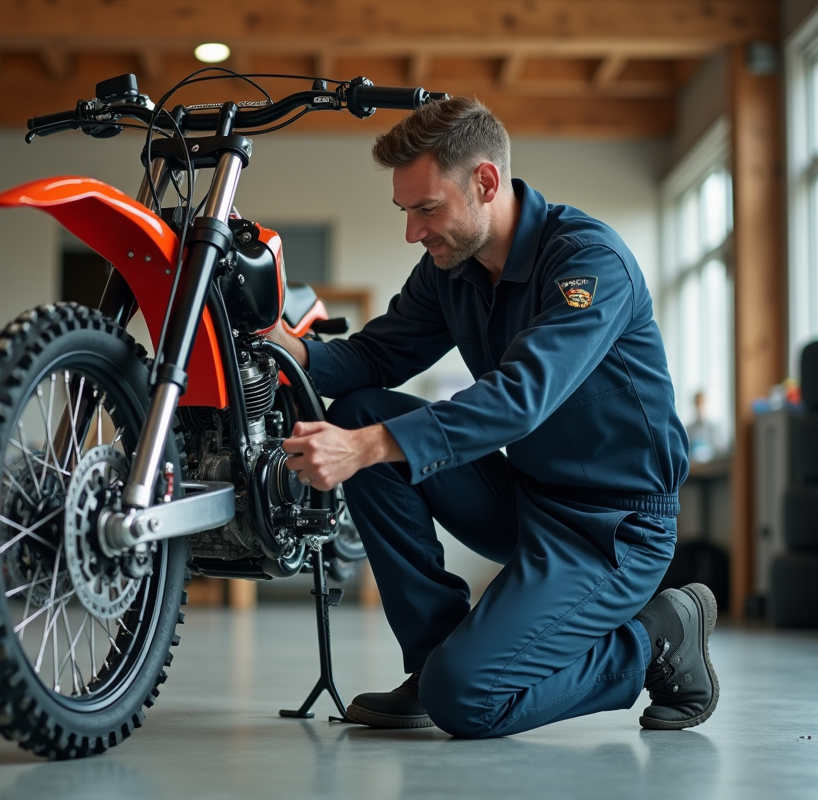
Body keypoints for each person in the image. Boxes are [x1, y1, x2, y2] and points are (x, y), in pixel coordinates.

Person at [266, 98, 716, 737]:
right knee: (362, 409)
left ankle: (658, 638)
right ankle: (435, 664)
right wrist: (295, 350)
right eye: (405, 211)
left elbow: (523, 396)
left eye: (427, 209)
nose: (413, 232)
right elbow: (376, 355)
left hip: (615, 530)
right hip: (527, 499)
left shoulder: (588, 262)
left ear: (484, 182)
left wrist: (369, 446)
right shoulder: (452, 268)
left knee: (469, 703)